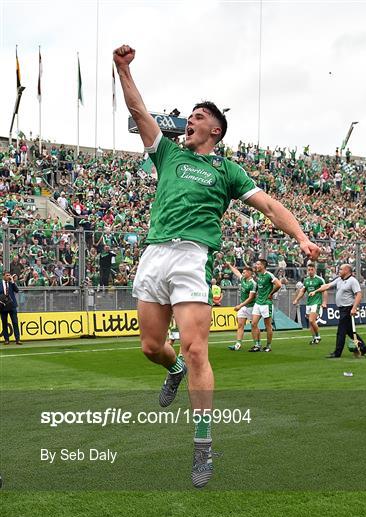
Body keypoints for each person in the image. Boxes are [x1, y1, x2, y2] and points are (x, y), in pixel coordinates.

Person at [113, 43, 320, 488]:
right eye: (189, 115)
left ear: (216, 131)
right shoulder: (168, 153)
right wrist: (122, 69)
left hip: (192, 257)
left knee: (197, 349)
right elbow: (138, 108)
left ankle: (203, 447)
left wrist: (301, 236)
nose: (189, 120)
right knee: (152, 348)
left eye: (198, 117)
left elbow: (267, 204)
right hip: (153, 254)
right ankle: (172, 370)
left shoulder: (228, 171)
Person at [309, 264, 366, 358]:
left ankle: (337, 353)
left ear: (346, 270)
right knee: (349, 331)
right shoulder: (339, 280)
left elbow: (358, 295)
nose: (339, 271)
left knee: (341, 331)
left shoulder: (352, 281)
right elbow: (327, 286)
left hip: (348, 308)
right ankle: (363, 348)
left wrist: (354, 308)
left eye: (341, 269)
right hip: (342, 308)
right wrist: (316, 291)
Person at [249, 259, 281, 353]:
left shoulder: (268, 275)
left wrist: (271, 294)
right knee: (253, 323)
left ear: (263, 266)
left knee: (268, 326)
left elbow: (278, 284)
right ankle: (257, 345)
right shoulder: (258, 276)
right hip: (258, 303)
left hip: (266, 303)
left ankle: (268, 346)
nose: (256, 265)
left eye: (258, 264)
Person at [293, 263, 327, 344]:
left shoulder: (319, 279)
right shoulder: (306, 280)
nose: (310, 271)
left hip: (317, 302)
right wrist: (296, 299)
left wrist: (324, 302)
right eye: (309, 270)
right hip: (309, 303)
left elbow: (325, 290)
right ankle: (314, 338)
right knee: (310, 323)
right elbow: (302, 291)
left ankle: (318, 336)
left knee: (312, 320)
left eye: (312, 270)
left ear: (315, 270)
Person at [227, 264, 257, 351]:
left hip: (251, 307)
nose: (242, 274)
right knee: (240, 325)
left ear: (249, 273)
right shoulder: (243, 279)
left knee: (254, 325)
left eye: (244, 272)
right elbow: (236, 272)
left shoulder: (253, 284)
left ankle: (257, 344)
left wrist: (240, 306)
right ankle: (238, 344)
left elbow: (251, 298)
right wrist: (230, 265)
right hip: (243, 307)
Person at [0, 271, 22, 345]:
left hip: (12, 305)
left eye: (9, 275)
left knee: (15, 322)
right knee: (4, 323)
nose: (9, 277)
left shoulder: (11, 283)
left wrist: (12, 281)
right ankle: (6, 339)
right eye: (7, 275)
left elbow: (17, 290)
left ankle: (17, 339)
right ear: (3, 276)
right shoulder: (0, 283)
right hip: (3, 306)